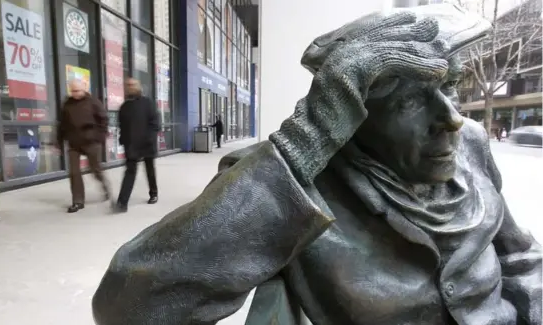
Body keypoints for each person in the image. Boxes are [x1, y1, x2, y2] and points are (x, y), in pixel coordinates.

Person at [92, 4, 542, 325]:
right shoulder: (284, 180)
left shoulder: (471, 146)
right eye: (409, 100)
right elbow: (128, 309)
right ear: (355, 112)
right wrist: (306, 142)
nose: (451, 119)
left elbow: (522, 257)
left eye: (452, 88)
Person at [57, 79, 111, 213]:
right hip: (74, 143)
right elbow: (62, 125)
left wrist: (100, 137)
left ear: (84, 89)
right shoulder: (67, 104)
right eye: (72, 91)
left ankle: (105, 186)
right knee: (74, 172)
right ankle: (78, 201)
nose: (75, 93)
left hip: (91, 142)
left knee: (95, 169)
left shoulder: (93, 102)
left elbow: (104, 119)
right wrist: (58, 142)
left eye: (77, 90)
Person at [112, 78, 160, 213]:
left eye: (133, 85)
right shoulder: (124, 107)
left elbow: (155, 122)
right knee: (130, 172)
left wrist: (150, 138)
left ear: (138, 87)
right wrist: (123, 140)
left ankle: (153, 193)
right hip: (132, 145)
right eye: (128, 85)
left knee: (149, 170)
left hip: (146, 143)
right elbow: (122, 126)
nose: (130, 87)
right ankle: (122, 202)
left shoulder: (147, 103)